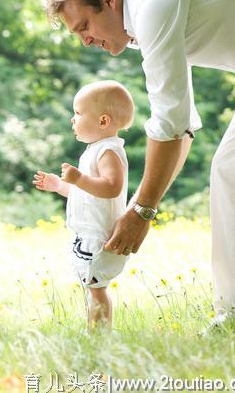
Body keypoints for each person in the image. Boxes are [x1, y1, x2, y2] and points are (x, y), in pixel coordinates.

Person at [45, 0, 235, 323]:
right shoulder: (144, 17)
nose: (85, 41)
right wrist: (140, 208)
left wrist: (141, 212)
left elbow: (170, 123)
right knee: (227, 169)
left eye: (84, 27)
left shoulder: (153, 3)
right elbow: (181, 128)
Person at [33, 80, 134, 330]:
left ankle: (99, 336)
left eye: (78, 113)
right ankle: (95, 330)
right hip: (87, 235)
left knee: (96, 289)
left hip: (100, 238)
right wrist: (60, 186)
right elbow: (86, 194)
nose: (72, 119)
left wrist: (79, 178)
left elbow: (112, 187)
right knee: (92, 287)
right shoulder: (94, 150)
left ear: (103, 121)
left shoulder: (108, 151)